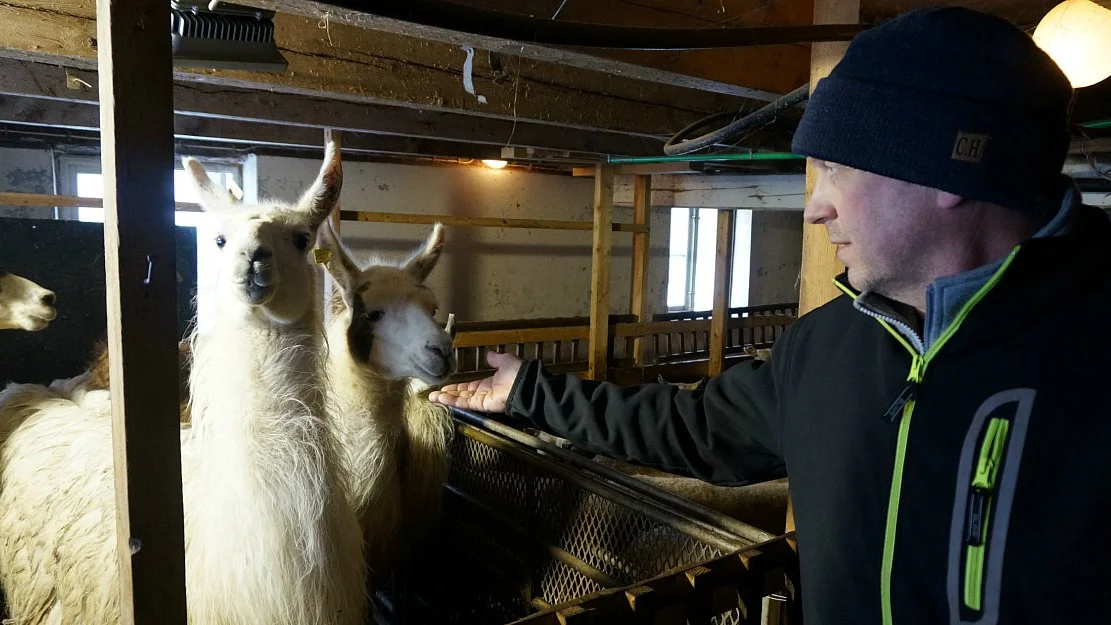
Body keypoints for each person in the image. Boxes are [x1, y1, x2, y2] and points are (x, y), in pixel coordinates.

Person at [432, 6, 1111, 625]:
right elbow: (692, 425)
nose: (814, 206)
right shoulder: (823, 347)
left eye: (835, 169)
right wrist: (529, 391)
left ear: (944, 173)